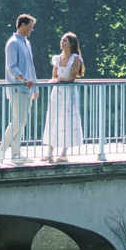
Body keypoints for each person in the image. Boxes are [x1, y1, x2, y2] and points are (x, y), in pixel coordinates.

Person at [0, 14, 38, 165]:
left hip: (27, 89)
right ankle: (1, 150)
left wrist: (35, 86)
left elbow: (30, 66)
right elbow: (11, 67)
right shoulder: (13, 43)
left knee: (22, 122)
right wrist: (24, 79)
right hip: (17, 88)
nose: (31, 30)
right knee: (18, 121)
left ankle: (16, 153)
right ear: (22, 25)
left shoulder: (26, 43)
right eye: (30, 27)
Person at [42, 32, 85, 162]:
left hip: (69, 92)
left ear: (71, 44)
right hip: (57, 92)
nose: (62, 43)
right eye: (61, 40)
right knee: (53, 118)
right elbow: (54, 76)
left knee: (67, 120)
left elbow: (72, 77)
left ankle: (64, 153)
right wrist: (56, 80)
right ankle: (50, 152)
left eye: (64, 41)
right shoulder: (57, 58)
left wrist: (62, 80)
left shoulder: (75, 59)